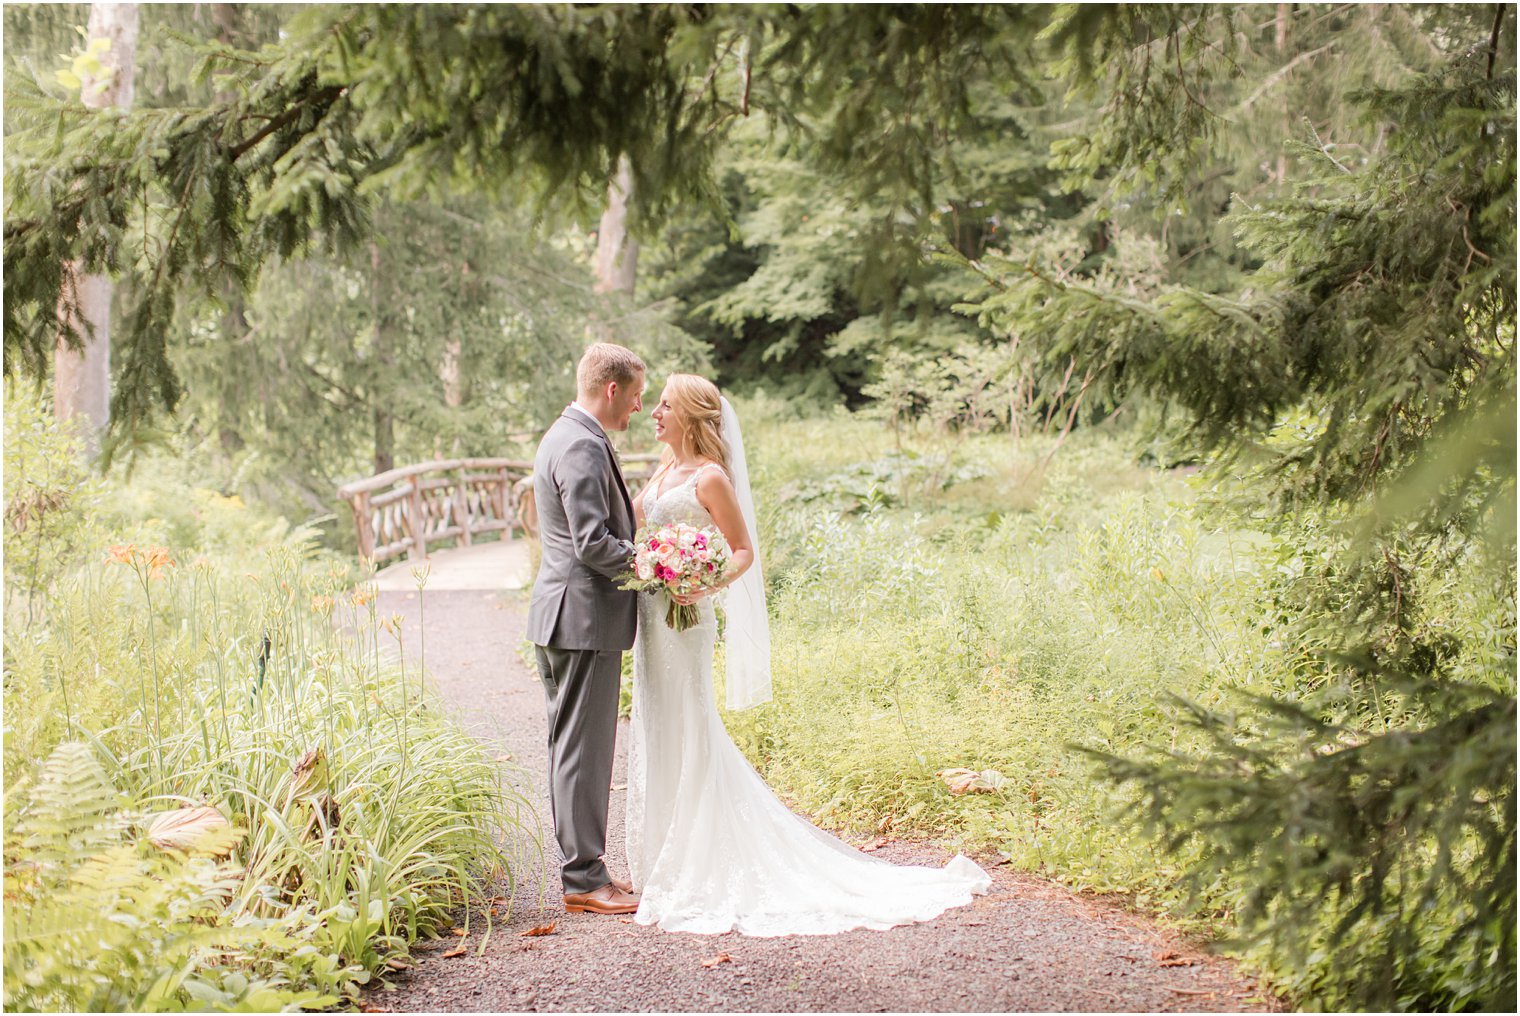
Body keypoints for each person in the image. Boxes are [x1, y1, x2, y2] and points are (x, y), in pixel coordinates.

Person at [626, 373, 991, 936]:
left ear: (691, 416)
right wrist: (653, 563)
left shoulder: (710, 477)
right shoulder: (660, 473)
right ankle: (665, 853)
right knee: (658, 723)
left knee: (691, 722)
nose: (654, 412)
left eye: (664, 405)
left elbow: (744, 550)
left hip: (687, 618)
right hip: (653, 621)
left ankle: (698, 857)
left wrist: (703, 582)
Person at [526, 342, 645, 916]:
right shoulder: (579, 443)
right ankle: (581, 881)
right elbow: (592, 543)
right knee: (581, 749)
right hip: (581, 618)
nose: (640, 409)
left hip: (571, 617)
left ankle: (589, 868)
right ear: (612, 389)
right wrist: (653, 566)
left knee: (580, 747)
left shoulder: (570, 434)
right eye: (638, 397)